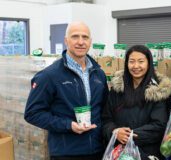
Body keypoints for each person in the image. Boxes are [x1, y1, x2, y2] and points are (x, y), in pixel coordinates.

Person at [24, 21, 108, 160]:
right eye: (75, 36)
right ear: (66, 40)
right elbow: (32, 113)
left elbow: (104, 109)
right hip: (66, 152)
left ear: (90, 41)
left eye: (85, 37)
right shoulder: (49, 75)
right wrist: (68, 125)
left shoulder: (98, 74)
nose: (81, 42)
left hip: (97, 150)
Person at [102, 45, 171, 160]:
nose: (136, 66)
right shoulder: (117, 89)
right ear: (126, 64)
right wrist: (115, 131)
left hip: (147, 153)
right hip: (118, 154)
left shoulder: (158, 91)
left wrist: (129, 136)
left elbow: (159, 126)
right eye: (132, 61)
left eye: (141, 61)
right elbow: (106, 119)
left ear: (149, 63)